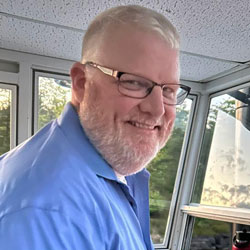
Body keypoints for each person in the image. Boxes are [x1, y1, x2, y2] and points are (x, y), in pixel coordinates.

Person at [0, 5, 190, 250]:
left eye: (168, 90)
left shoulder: (112, 168)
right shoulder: (47, 211)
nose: (157, 110)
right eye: (133, 82)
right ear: (82, 83)